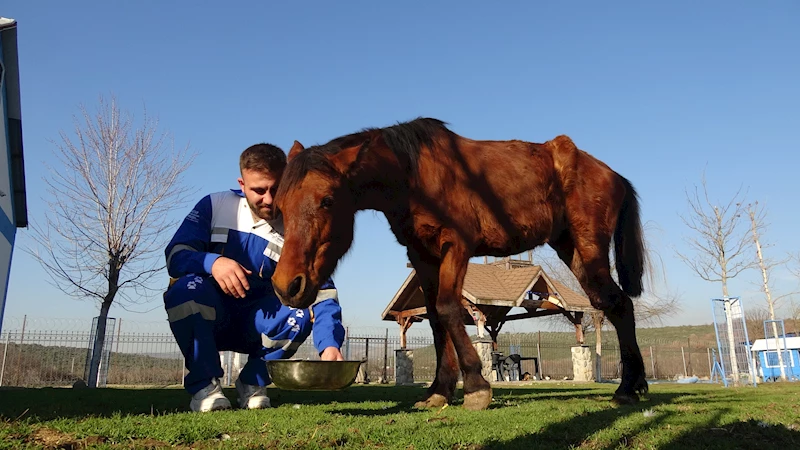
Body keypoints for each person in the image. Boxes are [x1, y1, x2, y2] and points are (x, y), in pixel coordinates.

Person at [163, 143, 345, 412]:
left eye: (276, 188)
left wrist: (329, 344)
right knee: (184, 290)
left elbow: (322, 291)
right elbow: (176, 255)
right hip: (211, 317)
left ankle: (252, 384)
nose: (269, 199)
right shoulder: (215, 205)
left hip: (257, 325)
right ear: (242, 183)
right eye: (259, 190)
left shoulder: (297, 225)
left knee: (301, 313)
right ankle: (205, 387)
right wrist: (213, 263)